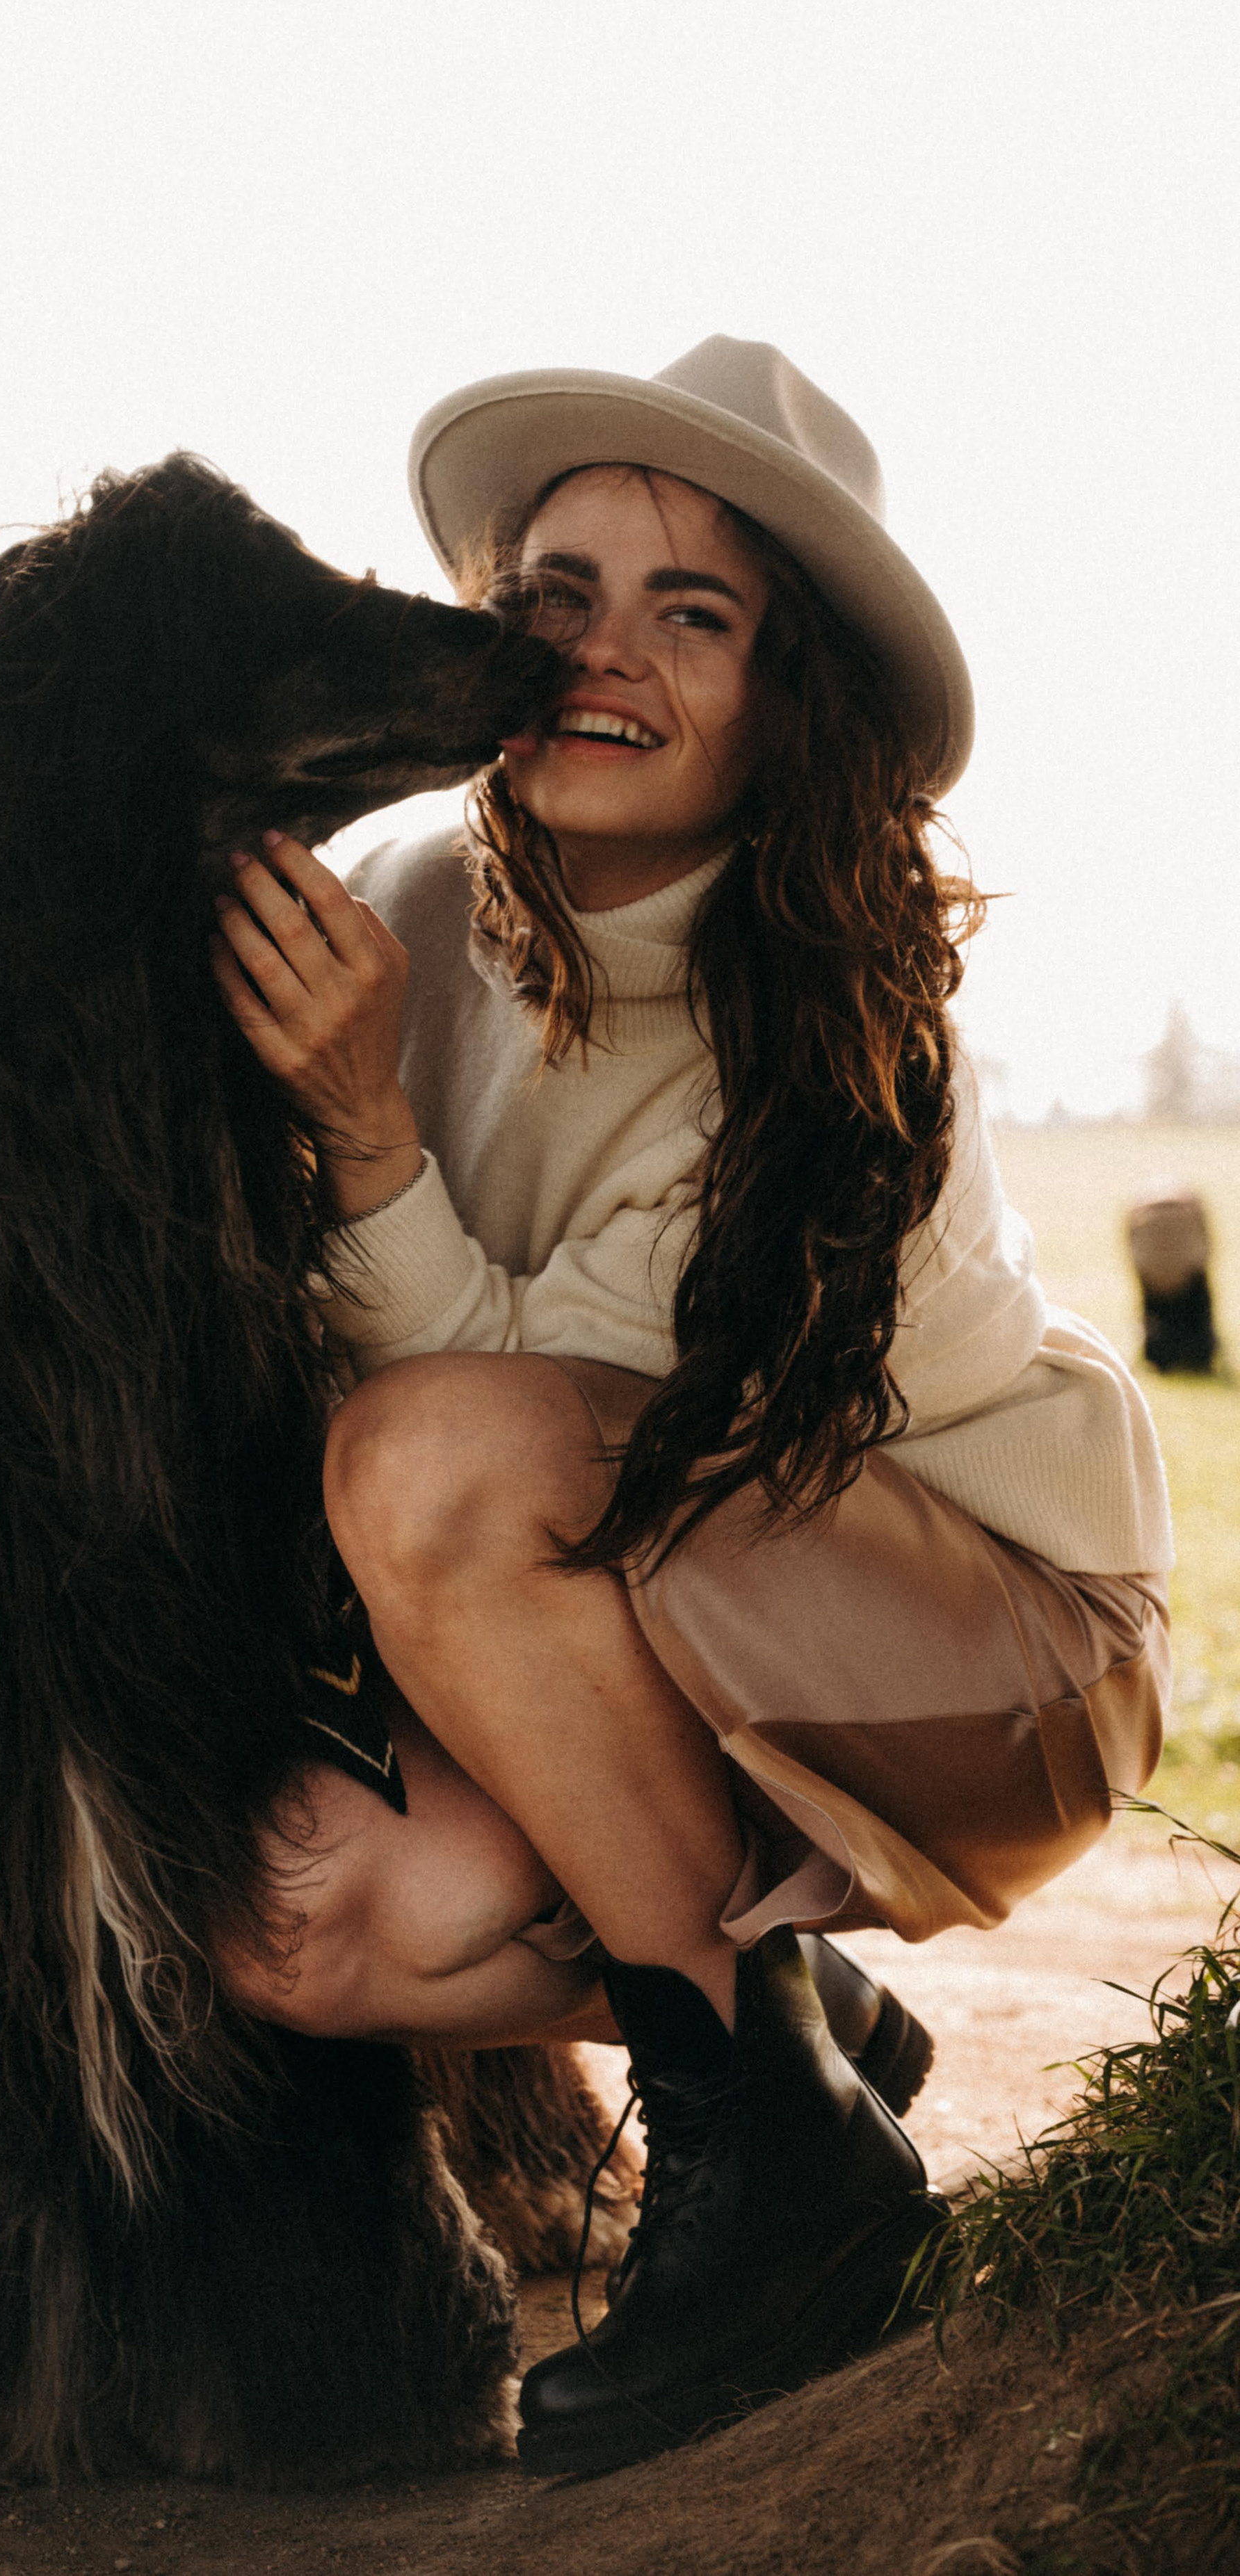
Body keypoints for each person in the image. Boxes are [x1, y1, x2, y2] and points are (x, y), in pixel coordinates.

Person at [208, 337, 1172, 2476]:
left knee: (430, 1460)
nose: (602, 653)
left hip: (987, 1638)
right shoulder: (414, 904)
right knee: (299, 1917)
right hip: (643, 1633)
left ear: (787, 696)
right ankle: (789, 2036)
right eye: (557, 594)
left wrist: (363, 1133)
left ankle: (783, 2186)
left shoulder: (841, 1029)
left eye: (692, 613)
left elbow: (500, 1427)